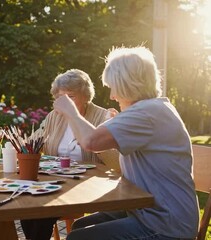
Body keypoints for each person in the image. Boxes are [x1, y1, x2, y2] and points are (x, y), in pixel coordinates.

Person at [53, 46, 199, 239]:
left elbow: (90, 141)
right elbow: (97, 139)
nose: (112, 95)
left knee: (79, 238)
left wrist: (70, 110)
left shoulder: (146, 113)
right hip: (147, 210)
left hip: (167, 224)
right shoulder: (151, 109)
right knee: (80, 226)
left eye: (113, 87)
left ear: (127, 85)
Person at [21, 69, 116, 240]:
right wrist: (22, 149)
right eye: (60, 97)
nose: (64, 103)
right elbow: (32, 143)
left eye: (70, 97)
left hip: (88, 185)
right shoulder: (54, 117)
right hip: (55, 183)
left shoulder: (104, 117)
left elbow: (117, 163)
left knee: (42, 210)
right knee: (29, 206)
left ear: (86, 96)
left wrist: (96, 145)